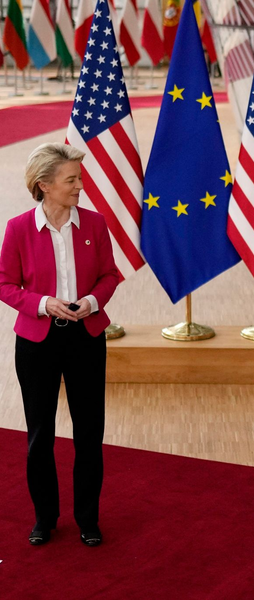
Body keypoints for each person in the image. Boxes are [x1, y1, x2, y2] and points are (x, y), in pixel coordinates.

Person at [0, 143, 119, 547]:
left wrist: (92, 302)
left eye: (79, 178)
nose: (80, 186)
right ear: (44, 185)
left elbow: (109, 275)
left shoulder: (95, 224)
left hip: (86, 337)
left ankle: (88, 518)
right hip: (37, 341)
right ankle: (44, 518)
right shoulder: (18, 228)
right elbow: (4, 283)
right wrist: (41, 303)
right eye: (72, 180)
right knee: (40, 434)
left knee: (89, 432)